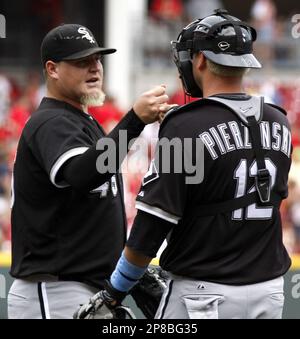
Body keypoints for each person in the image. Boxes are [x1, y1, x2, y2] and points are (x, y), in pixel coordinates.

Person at [77, 9, 292, 319]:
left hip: (203, 296)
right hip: (269, 291)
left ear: (201, 61)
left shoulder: (186, 126)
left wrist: (114, 293)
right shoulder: (279, 120)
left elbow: (151, 227)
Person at [7, 23, 172, 319]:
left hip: (83, 286)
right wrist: (134, 120)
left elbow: (91, 217)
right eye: (82, 62)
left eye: (97, 60)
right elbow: (83, 174)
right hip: (54, 288)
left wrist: (127, 274)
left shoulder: (83, 123)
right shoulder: (51, 122)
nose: (94, 68)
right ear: (53, 69)